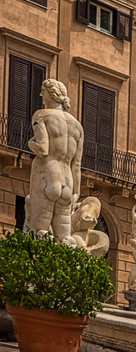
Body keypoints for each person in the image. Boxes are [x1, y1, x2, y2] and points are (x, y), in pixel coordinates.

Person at [26, 79, 83, 244]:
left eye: (42, 92)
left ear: (50, 94)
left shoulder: (41, 115)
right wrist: (76, 193)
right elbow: (77, 164)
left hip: (47, 176)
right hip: (68, 182)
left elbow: (43, 149)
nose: (41, 96)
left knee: (39, 234)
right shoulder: (77, 126)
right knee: (65, 240)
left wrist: (30, 143)